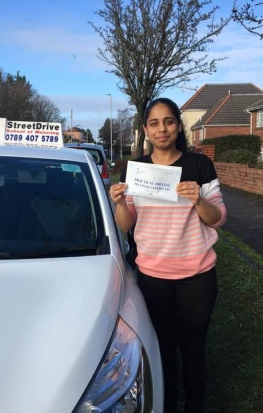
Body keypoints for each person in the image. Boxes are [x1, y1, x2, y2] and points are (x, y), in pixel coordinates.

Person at [109, 97, 226, 413]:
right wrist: (120, 202)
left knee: (193, 349)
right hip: (153, 278)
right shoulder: (136, 170)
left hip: (197, 276)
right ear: (146, 129)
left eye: (169, 121)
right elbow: (126, 224)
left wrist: (198, 200)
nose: (162, 129)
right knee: (162, 349)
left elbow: (218, 218)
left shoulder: (199, 166)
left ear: (178, 125)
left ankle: (195, 405)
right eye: (155, 123)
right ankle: (167, 405)